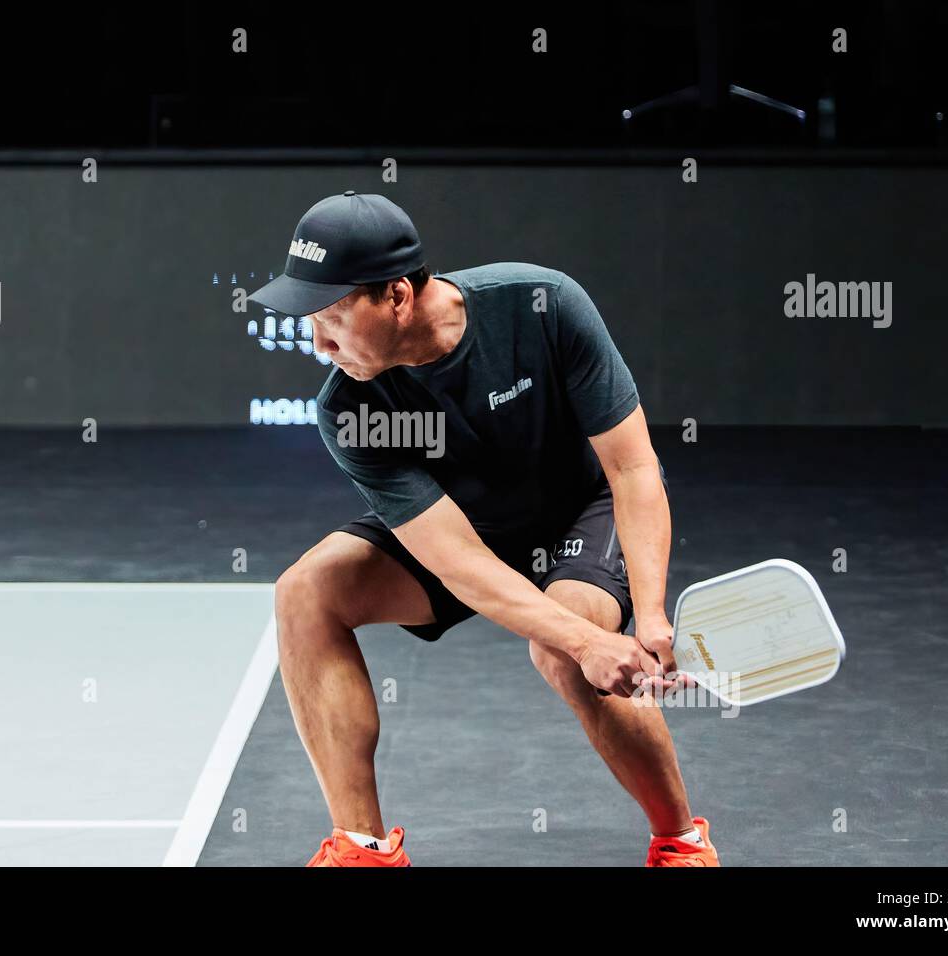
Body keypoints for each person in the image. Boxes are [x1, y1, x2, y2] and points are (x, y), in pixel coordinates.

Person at [247, 191, 719, 867]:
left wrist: (648, 619)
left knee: (561, 645)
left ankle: (681, 841)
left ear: (398, 297)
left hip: (579, 513)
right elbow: (458, 561)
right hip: (467, 533)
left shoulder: (542, 307)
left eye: (332, 320)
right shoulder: (349, 406)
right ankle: (363, 848)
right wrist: (589, 641)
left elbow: (634, 466)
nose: (320, 346)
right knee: (305, 592)